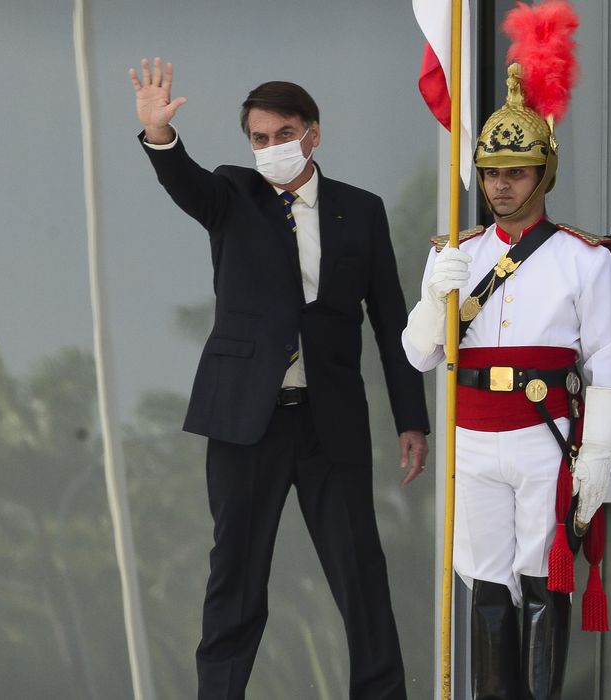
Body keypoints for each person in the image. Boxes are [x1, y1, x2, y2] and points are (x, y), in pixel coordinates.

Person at [129, 58, 430, 700]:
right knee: (235, 577)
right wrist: (159, 135)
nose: (271, 148)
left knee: (362, 576)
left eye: (283, 134)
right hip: (245, 420)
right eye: (259, 138)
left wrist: (411, 418)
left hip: (331, 423)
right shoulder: (231, 195)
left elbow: (391, 322)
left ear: (313, 133)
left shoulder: (362, 211)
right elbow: (184, 183)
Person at [401, 62, 611, 699]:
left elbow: (609, 363)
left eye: (516, 172)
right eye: (491, 173)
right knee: (485, 580)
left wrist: (598, 458)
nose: (500, 186)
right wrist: (432, 297)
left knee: (540, 575)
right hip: (473, 435)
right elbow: (420, 354)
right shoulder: (455, 251)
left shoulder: (584, 258)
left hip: (543, 436)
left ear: (543, 175)